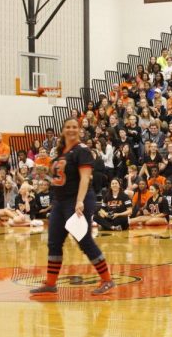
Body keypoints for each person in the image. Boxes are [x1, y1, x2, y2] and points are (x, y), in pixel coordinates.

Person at [30, 118, 115, 296]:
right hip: (60, 202)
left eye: (74, 127)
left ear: (79, 130)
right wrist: (42, 174)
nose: (71, 130)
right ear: (63, 130)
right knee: (53, 242)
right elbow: (56, 180)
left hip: (78, 200)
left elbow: (85, 178)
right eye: (68, 127)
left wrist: (80, 201)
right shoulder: (60, 152)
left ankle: (107, 280)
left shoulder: (82, 150)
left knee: (83, 241)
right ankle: (51, 284)